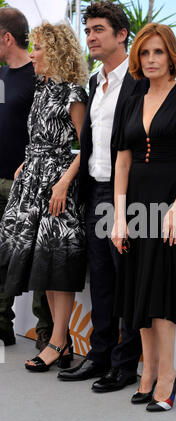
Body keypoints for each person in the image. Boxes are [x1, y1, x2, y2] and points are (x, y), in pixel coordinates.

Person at [111, 23, 176, 411]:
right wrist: (118, 217)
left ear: (171, 56)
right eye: (144, 53)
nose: (150, 60)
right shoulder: (132, 100)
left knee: (162, 291)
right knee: (138, 288)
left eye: (158, 52)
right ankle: (148, 371)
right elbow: (122, 162)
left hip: (172, 205)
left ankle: (169, 377)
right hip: (134, 204)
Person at [58, 1, 148, 391]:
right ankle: (99, 357)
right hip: (95, 191)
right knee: (103, 281)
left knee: (127, 280)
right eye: (89, 30)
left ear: (121, 34)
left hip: (128, 194)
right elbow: (90, 140)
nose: (91, 37)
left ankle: (125, 365)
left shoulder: (142, 79)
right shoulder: (95, 81)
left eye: (98, 30)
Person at [0, 21, 89, 372]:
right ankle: (58, 341)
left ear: (54, 52)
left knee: (56, 263)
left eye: (38, 48)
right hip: (33, 178)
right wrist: (28, 160)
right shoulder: (42, 89)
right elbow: (40, 137)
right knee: (40, 262)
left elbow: (86, 146)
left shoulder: (73, 93)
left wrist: (65, 182)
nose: (32, 53)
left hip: (57, 185)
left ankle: (57, 341)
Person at [0, 7, 53, 352]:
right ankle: (2, 324)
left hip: (27, 184)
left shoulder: (40, 78)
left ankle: (47, 333)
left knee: (34, 257)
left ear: (6, 38)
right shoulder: (0, 76)